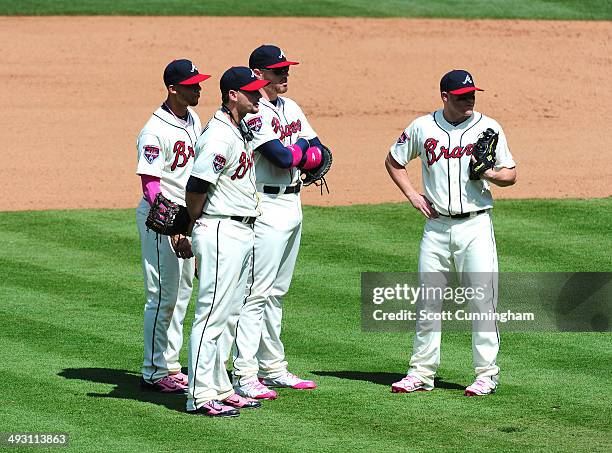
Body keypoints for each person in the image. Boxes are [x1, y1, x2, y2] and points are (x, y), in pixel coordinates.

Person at [385, 69, 517, 396]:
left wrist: (490, 171)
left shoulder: (489, 127)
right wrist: (414, 197)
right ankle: (421, 373)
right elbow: (393, 161)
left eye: (472, 94)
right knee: (429, 302)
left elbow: (511, 174)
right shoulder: (422, 127)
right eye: (462, 97)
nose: (469, 100)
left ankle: (486, 374)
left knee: (482, 301)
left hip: (475, 225)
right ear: (445, 97)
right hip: (436, 226)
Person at [232, 45, 327, 400]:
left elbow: (320, 152)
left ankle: (273, 367)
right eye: (277, 70)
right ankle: (245, 374)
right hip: (266, 205)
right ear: (258, 74)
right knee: (256, 294)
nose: (285, 74)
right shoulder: (255, 112)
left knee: (276, 293)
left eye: (286, 69)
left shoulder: (291, 107)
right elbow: (281, 155)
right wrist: (302, 150)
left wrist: (301, 152)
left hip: (293, 203)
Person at [184, 66, 270, 417]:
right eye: (252, 92)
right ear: (232, 95)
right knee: (210, 314)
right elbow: (196, 187)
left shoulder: (239, 130)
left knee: (229, 311)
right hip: (220, 230)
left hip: (240, 230)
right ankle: (199, 395)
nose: (259, 97)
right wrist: (193, 225)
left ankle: (219, 385)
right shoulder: (218, 136)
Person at [136, 59, 210, 393]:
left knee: (181, 295)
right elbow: (150, 184)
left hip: (186, 218)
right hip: (162, 220)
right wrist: (174, 226)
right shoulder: (154, 130)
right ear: (173, 88)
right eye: (192, 83)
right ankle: (153, 370)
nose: (199, 87)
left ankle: (169, 365)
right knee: (162, 295)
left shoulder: (192, 118)